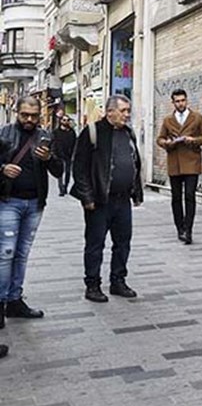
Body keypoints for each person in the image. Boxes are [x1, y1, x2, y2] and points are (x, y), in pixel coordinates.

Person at [71, 94, 143, 303]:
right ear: (110, 111)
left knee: (123, 243)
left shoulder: (129, 133)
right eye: (123, 111)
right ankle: (92, 284)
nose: (127, 115)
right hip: (99, 200)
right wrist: (87, 197)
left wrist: (136, 193)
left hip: (123, 200)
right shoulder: (93, 132)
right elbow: (79, 167)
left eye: (128, 111)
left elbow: (135, 163)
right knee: (95, 244)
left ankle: (118, 281)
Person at [0, 96, 64, 327]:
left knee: (22, 253)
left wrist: (49, 159)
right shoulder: (4, 134)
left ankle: (15, 300)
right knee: (5, 253)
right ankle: (1, 303)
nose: (29, 119)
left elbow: (59, 171)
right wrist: (3, 168)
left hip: (35, 204)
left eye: (34, 116)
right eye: (24, 115)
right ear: (16, 112)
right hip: (8, 202)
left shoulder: (45, 136)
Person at [156, 89, 202, 244]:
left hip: (192, 162)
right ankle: (180, 228)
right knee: (176, 198)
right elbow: (159, 139)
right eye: (177, 101)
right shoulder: (168, 120)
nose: (180, 103)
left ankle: (189, 230)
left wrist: (192, 140)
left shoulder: (197, 118)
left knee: (189, 196)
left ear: (187, 101)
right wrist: (166, 143)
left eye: (183, 100)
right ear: (172, 102)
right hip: (174, 162)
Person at [53, 114, 77, 196]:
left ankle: (65, 187)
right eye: (63, 120)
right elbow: (53, 143)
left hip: (68, 155)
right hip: (59, 155)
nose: (65, 122)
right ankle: (61, 189)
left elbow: (75, 143)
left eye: (67, 120)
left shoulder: (72, 132)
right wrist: (54, 153)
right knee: (60, 172)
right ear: (60, 121)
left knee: (67, 172)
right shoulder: (56, 132)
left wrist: (73, 153)